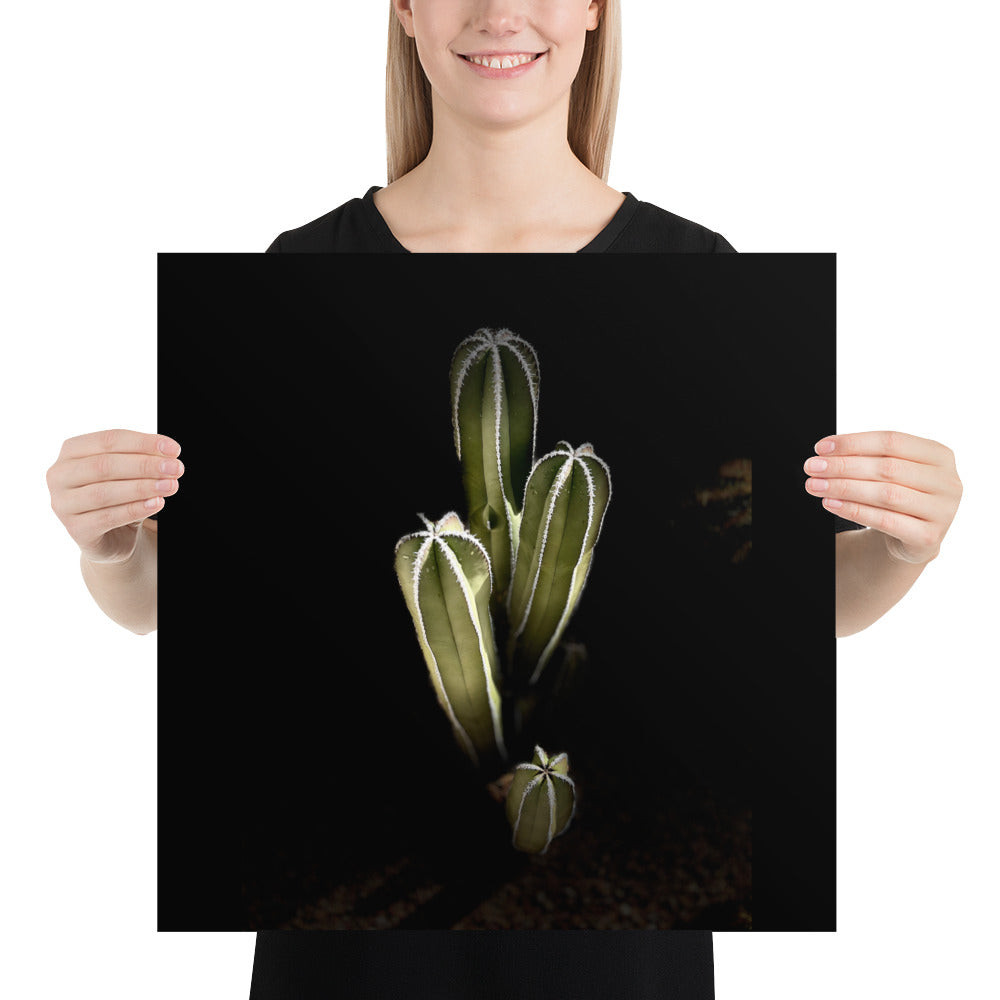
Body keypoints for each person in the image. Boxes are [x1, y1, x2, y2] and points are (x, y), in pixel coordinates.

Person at [44, 1, 963, 998]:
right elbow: (183, 609)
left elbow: (779, 615)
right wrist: (114, 546)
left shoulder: (699, 276)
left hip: (614, 961)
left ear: (595, 10)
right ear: (403, 9)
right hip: (356, 952)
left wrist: (904, 546)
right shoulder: (300, 273)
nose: (498, 11)